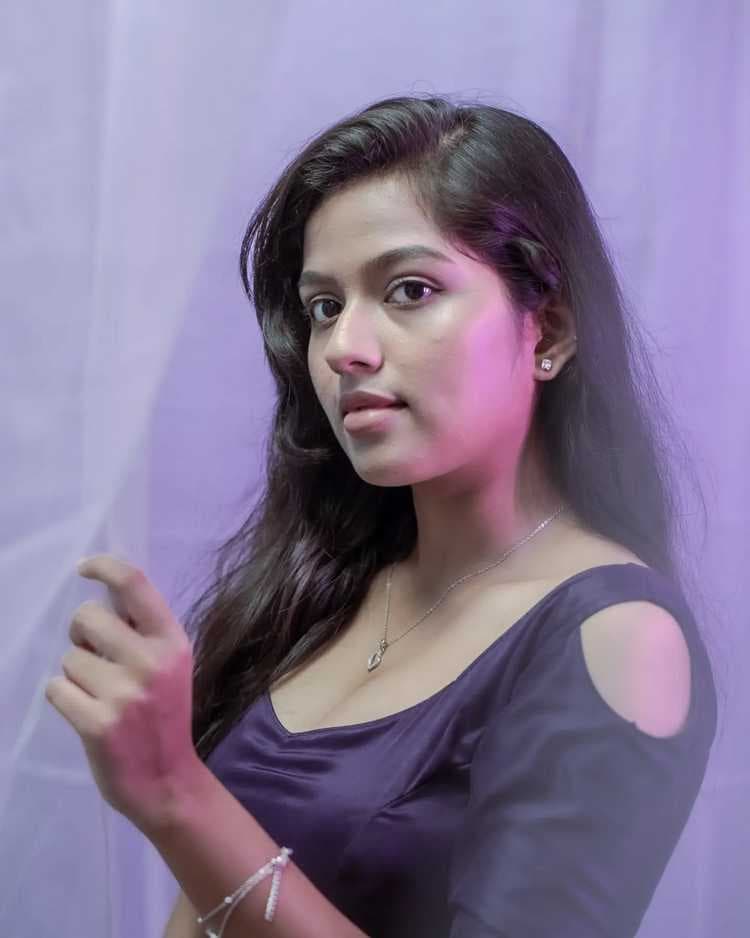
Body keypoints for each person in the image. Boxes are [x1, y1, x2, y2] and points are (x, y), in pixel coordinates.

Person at [172, 95, 718, 937]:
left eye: (410, 290)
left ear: (549, 329)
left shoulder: (618, 634)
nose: (344, 348)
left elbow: (206, 845)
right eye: (324, 306)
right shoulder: (322, 588)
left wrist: (175, 799)